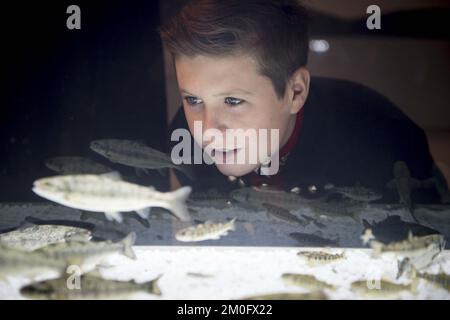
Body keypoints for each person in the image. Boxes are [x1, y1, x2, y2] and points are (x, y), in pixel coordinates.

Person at [160, 0, 444, 204]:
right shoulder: (182, 138)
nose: (207, 130)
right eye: (194, 99)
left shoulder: (386, 146)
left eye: (233, 101)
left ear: (296, 92)